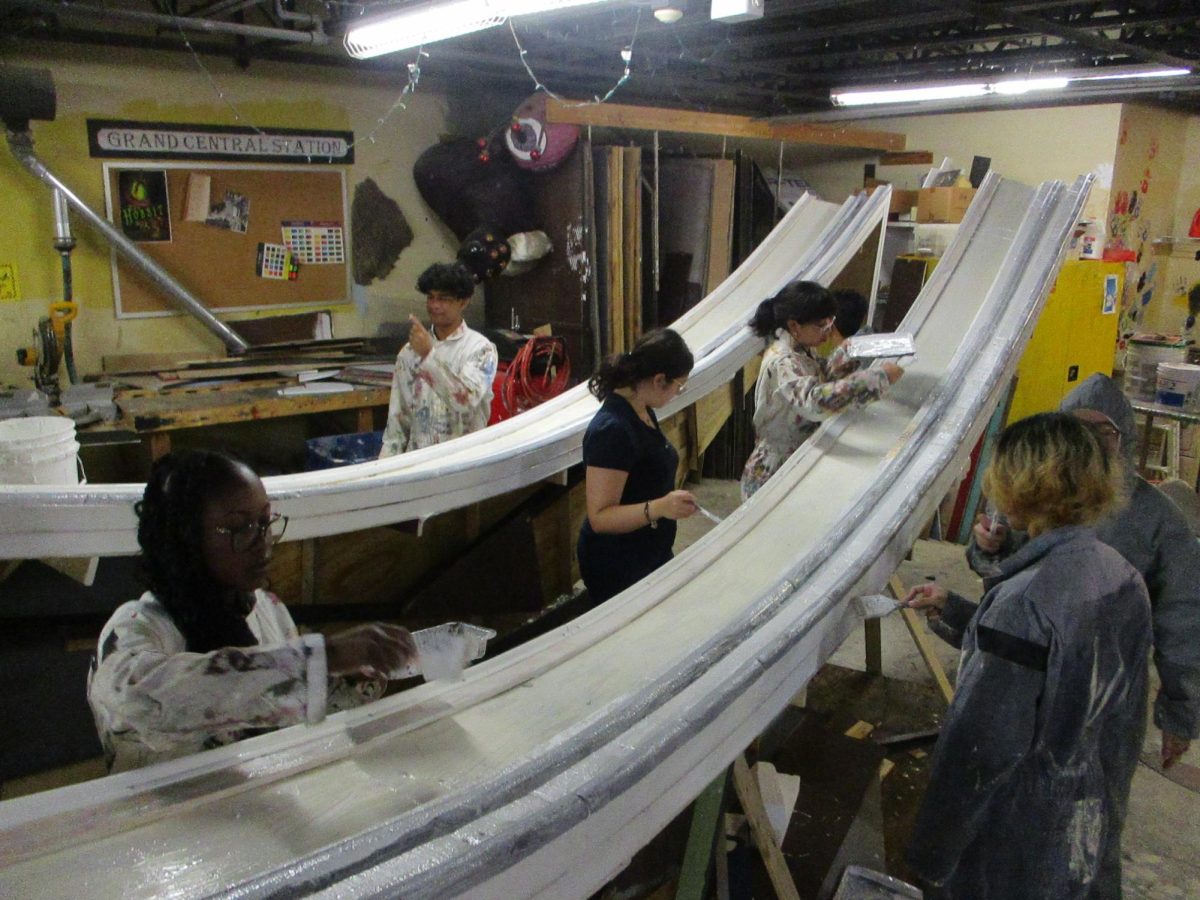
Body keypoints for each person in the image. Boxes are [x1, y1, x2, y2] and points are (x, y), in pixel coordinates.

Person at [904, 413, 1151, 899]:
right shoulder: (1121, 577)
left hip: (1015, 835)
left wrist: (931, 854)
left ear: (1025, 486)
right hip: (1084, 818)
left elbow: (980, 750)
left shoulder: (1023, 601)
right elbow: (1118, 722)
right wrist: (954, 610)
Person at [88, 450, 418, 772]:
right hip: (170, 818)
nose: (263, 541)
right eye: (240, 528)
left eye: (265, 521)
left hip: (252, 803)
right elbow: (143, 701)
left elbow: (284, 714)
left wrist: (343, 684)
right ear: (186, 538)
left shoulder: (266, 610)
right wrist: (321, 658)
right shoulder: (135, 629)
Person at [968, 373, 1200, 770]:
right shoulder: (1036, 493)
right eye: (1077, 429)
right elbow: (1002, 588)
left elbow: (1183, 618)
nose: (1088, 444)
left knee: (1075, 788)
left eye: (1102, 432)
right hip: (1021, 677)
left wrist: (1180, 711)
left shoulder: (1159, 522)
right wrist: (987, 548)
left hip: (1103, 689)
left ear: (1124, 439)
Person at [739, 280, 903, 500]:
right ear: (795, 326)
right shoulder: (783, 361)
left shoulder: (801, 349)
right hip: (776, 469)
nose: (828, 332)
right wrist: (877, 379)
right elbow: (814, 401)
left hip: (796, 457)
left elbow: (819, 378)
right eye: (821, 326)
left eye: (830, 324)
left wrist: (844, 355)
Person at [576, 329, 698, 606]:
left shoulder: (642, 408)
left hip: (648, 548)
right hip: (618, 562)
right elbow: (600, 518)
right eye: (679, 386)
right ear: (658, 380)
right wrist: (660, 507)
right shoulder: (612, 430)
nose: (679, 393)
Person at [379, 261, 499, 457]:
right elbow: (397, 424)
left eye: (444, 299)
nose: (435, 305)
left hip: (465, 464)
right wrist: (383, 471)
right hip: (420, 465)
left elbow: (464, 400)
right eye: (430, 297)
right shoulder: (409, 352)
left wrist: (428, 356)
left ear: (464, 301)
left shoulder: (481, 349)